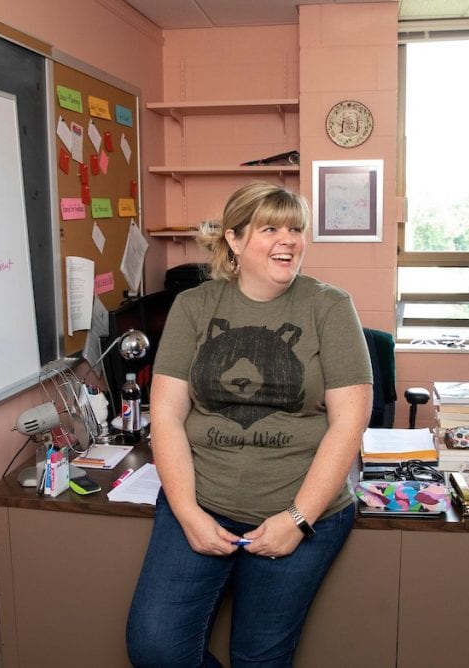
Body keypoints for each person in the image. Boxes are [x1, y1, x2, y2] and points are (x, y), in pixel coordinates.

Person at [126, 182, 373, 667]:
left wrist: (297, 520)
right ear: (234, 240)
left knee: (259, 658)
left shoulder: (329, 306)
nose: (289, 240)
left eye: (296, 229)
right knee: (155, 649)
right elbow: (169, 416)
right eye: (271, 228)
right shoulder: (195, 307)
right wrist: (189, 514)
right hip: (201, 503)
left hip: (299, 512)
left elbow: (350, 423)